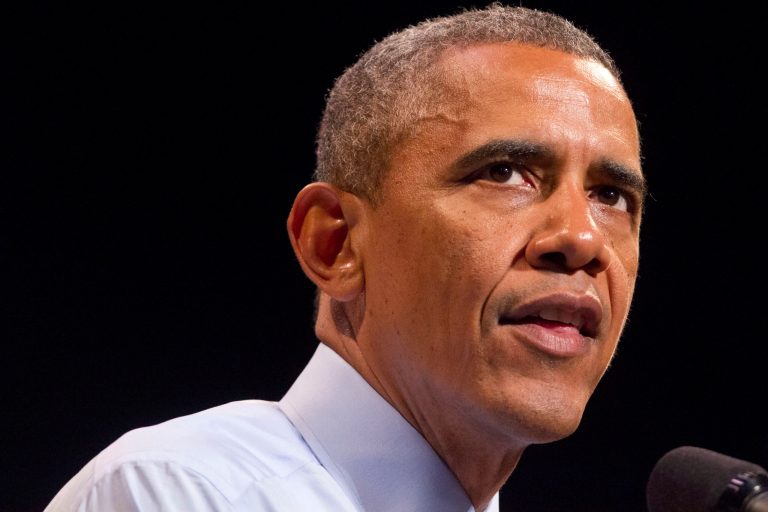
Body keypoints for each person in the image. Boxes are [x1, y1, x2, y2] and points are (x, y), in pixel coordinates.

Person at [45, 3, 645, 511]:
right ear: (335, 245)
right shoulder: (186, 491)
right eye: (505, 173)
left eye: (611, 196)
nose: (581, 239)